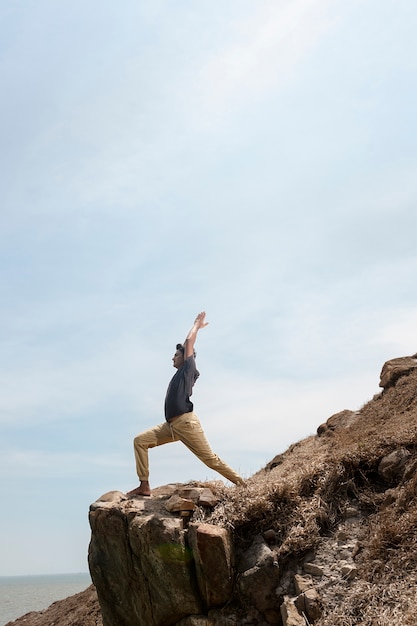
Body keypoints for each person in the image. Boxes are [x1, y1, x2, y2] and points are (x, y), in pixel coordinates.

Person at [127, 312, 244, 497]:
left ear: (185, 357)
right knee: (140, 441)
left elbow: (189, 343)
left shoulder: (188, 369)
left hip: (186, 423)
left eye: (176, 355)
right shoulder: (178, 374)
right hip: (170, 426)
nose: (172, 358)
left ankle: (243, 484)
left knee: (210, 459)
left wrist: (196, 325)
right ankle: (144, 485)